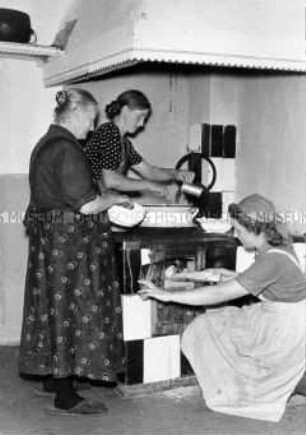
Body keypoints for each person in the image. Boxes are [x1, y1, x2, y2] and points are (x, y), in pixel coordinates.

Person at [139, 194, 306, 422]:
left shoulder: (272, 260)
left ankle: (281, 385)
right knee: (213, 323)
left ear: (255, 227)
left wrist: (166, 296)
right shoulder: (273, 246)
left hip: (287, 328)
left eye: (238, 230)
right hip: (279, 316)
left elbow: (220, 292)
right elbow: (224, 277)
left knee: (211, 326)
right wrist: (184, 274)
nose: (235, 236)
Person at [18, 88, 133, 415]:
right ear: (77, 113)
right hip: (67, 246)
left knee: (53, 309)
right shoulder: (67, 149)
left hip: (52, 245)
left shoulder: (46, 143)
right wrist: (115, 199)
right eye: (91, 119)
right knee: (73, 309)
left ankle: (56, 379)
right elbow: (87, 204)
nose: (92, 127)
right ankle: (65, 395)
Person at [84, 89, 194, 200]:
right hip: (89, 204)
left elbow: (150, 171)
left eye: (144, 119)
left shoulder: (124, 143)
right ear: (125, 110)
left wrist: (175, 174)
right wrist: (149, 185)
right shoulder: (109, 132)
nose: (141, 124)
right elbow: (111, 181)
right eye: (139, 117)